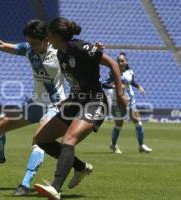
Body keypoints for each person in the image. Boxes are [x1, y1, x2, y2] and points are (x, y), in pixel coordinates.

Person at [0, 18, 98, 196]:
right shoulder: (28, 50)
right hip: (35, 103)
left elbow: (82, 57)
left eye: (34, 42)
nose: (31, 45)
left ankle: (25, 184)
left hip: (56, 105)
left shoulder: (60, 52)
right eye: (29, 42)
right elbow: (0, 45)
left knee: (38, 140)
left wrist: (97, 53)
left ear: (47, 39)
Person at [32, 17, 128, 200]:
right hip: (76, 102)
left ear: (54, 35)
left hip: (95, 101)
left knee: (69, 139)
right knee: (42, 139)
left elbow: (113, 64)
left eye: (48, 34)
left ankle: (55, 188)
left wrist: (121, 93)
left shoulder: (80, 47)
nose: (46, 38)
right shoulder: (61, 54)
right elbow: (78, 82)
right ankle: (80, 168)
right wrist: (68, 100)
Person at [103, 52, 152, 154]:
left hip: (130, 101)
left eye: (122, 61)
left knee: (138, 121)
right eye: (119, 61)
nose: (120, 63)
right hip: (118, 103)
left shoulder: (130, 72)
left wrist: (139, 87)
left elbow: (132, 81)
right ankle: (113, 144)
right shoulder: (113, 72)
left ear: (126, 62)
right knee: (119, 125)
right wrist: (114, 86)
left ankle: (141, 145)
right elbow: (104, 84)